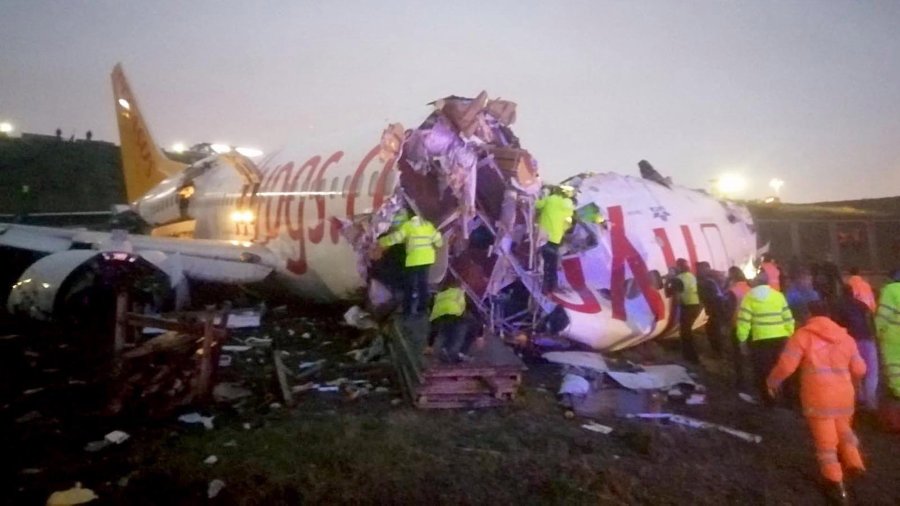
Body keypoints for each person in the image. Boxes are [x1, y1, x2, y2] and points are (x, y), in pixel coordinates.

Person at [767, 301, 866, 503]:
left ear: (809, 314)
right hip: (844, 395)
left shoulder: (802, 336)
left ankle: (835, 483)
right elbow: (860, 369)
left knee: (826, 443)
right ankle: (855, 464)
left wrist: (772, 381)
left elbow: (786, 366)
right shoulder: (846, 338)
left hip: (818, 397)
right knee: (844, 428)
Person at [736, 272, 795, 403]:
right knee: (781, 367)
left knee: (763, 370)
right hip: (780, 338)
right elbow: (788, 317)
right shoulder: (778, 296)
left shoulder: (749, 297)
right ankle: (788, 397)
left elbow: (743, 321)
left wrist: (742, 340)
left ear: (755, 283)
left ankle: (768, 399)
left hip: (760, 339)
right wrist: (790, 334)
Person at [378, 213, 443, 316]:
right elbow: (438, 240)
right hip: (427, 259)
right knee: (423, 285)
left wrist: (381, 242)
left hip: (414, 260)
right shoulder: (428, 225)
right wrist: (437, 245)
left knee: (410, 285)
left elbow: (395, 238)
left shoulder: (408, 225)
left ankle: (407, 311)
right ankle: (422, 310)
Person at [834, 284, 879, 411]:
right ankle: (871, 403)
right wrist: (874, 336)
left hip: (851, 341)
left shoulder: (838, 306)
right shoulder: (863, 305)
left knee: (854, 371)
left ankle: (857, 399)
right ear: (853, 292)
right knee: (871, 372)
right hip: (868, 339)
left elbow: (838, 326)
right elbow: (871, 322)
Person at [535, 185, 575, 293]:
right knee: (551, 263)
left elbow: (537, 205)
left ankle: (545, 287)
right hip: (556, 238)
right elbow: (568, 224)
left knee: (541, 261)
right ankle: (553, 286)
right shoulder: (569, 206)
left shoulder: (550, 199)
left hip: (544, 235)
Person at [430, 280, 476, 363]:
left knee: (448, 332)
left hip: (441, 320)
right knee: (467, 326)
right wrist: (481, 334)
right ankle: (459, 353)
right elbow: (475, 311)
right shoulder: (461, 294)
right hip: (457, 318)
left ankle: (445, 349)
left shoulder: (438, 296)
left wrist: (429, 344)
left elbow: (434, 319)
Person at [725, 266, 752, 390]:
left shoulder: (733, 291)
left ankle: (740, 382)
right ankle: (755, 380)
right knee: (750, 353)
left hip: (737, 325)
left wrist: (726, 325)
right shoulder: (750, 289)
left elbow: (729, 310)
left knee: (737, 355)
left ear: (732, 276)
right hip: (751, 325)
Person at [876, 268, 900, 400]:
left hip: (894, 339)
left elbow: (883, 316)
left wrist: (877, 331)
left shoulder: (890, 290)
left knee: (895, 368)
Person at [672, 258, 701, 363]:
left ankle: (691, 357)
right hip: (696, 305)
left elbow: (676, 295)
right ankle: (691, 355)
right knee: (687, 331)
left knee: (685, 333)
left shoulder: (678, 278)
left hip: (687, 306)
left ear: (679, 267)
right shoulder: (691, 275)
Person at [697, 261, 726, 357]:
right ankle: (719, 350)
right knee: (714, 328)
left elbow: (707, 296)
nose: (699, 271)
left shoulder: (707, 281)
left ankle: (717, 351)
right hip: (718, 307)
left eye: (700, 269)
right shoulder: (716, 277)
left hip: (714, 307)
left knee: (712, 329)